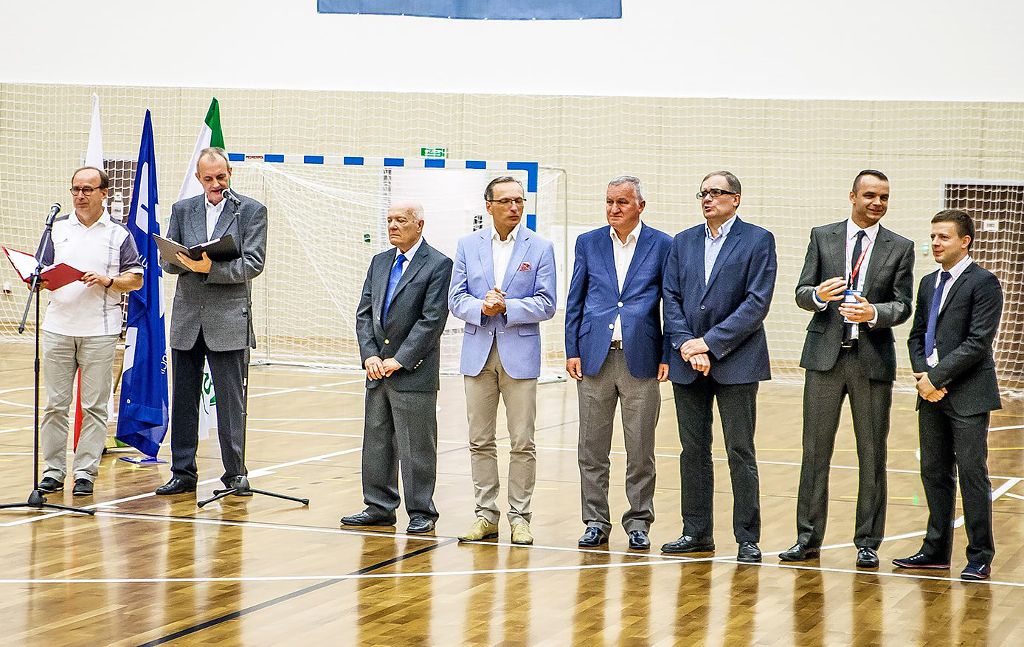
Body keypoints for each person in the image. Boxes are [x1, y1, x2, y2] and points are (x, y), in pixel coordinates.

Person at [779, 170, 915, 569]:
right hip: (824, 359)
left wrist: (875, 312)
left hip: (871, 361)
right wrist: (818, 296)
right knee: (814, 452)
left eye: (885, 197)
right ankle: (807, 538)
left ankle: (868, 542)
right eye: (870, 195)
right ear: (852, 195)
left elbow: (903, 305)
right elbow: (802, 292)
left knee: (872, 454)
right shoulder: (823, 236)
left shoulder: (900, 247)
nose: (877, 203)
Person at [661, 171, 777, 563]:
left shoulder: (758, 240)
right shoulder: (683, 241)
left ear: (736, 199)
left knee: (740, 449)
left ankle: (747, 536)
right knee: (693, 450)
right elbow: (671, 298)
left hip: (738, 362)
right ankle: (696, 532)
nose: (708, 198)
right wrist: (687, 345)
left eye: (717, 193)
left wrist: (709, 343)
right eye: (704, 192)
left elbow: (756, 303)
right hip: (688, 362)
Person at [894, 209, 1002, 581]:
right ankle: (935, 550)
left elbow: (977, 343)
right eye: (933, 236)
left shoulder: (984, 282)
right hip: (930, 391)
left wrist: (937, 378)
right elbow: (916, 335)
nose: (935, 243)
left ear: (964, 241)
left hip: (968, 394)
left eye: (944, 237)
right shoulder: (927, 283)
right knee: (934, 472)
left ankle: (979, 556)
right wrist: (923, 375)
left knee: (973, 474)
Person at [564, 176, 671, 551]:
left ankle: (639, 522)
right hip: (594, 357)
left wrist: (668, 353)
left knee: (640, 448)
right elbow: (575, 299)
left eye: (622, 202)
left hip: (641, 358)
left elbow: (670, 304)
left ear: (641, 205)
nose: (614, 209)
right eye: (609, 201)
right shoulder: (589, 243)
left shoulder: (663, 245)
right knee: (591, 447)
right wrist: (571, 349)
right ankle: (595, 521)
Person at [449, 176, 557, 545]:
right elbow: (455, 298)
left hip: (520, 355)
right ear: (489, 206)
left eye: (519, 201)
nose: (514, 207)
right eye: (507, 201)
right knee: (480, 440)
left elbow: (546, 303)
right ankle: (485, 514)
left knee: (522, 442)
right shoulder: (467, 245)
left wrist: (507, 306)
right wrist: (482, 306)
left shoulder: (540, 247)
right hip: (478, 354)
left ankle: (520, 516)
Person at [155, 147, 267, 496]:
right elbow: (167, 263)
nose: (216, 184)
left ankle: (235, 474)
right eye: (208, 178)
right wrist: (181, 260)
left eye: (221, 177)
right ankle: (183, 472)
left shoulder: (249, 210)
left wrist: (211, 268)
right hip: (188, 319)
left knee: (231, 402)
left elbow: (253, 263)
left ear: (230, 173)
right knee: (184, 400)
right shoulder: (182, 209)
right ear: (199, 178)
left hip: (228, 319)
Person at [341, 202, 453, 534]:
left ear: (419, 225)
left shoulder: (437, 264)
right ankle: (378, 505)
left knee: (416, 444)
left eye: (400, 220)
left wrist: (400, 359)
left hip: (413, 371)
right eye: (389, 220)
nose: (393, 225)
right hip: (377, 369)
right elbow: (364, 312)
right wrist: (370, 355)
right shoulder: (379, 262)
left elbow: (431, 320)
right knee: (376, 440)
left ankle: (421, 511)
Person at [36, 166, 143, 496]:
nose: (80, 195)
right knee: (55, 404)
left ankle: (85, 472)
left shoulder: (118, 235)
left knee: (95, 407)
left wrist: (108, 280)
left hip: (100, 330)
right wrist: (37, 279)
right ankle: (53, 471)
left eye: (87, 189)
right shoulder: (56, 229)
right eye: (75, 189)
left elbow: (135, 279)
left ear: (104, 193)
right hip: (57, 327)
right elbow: (40, 271)